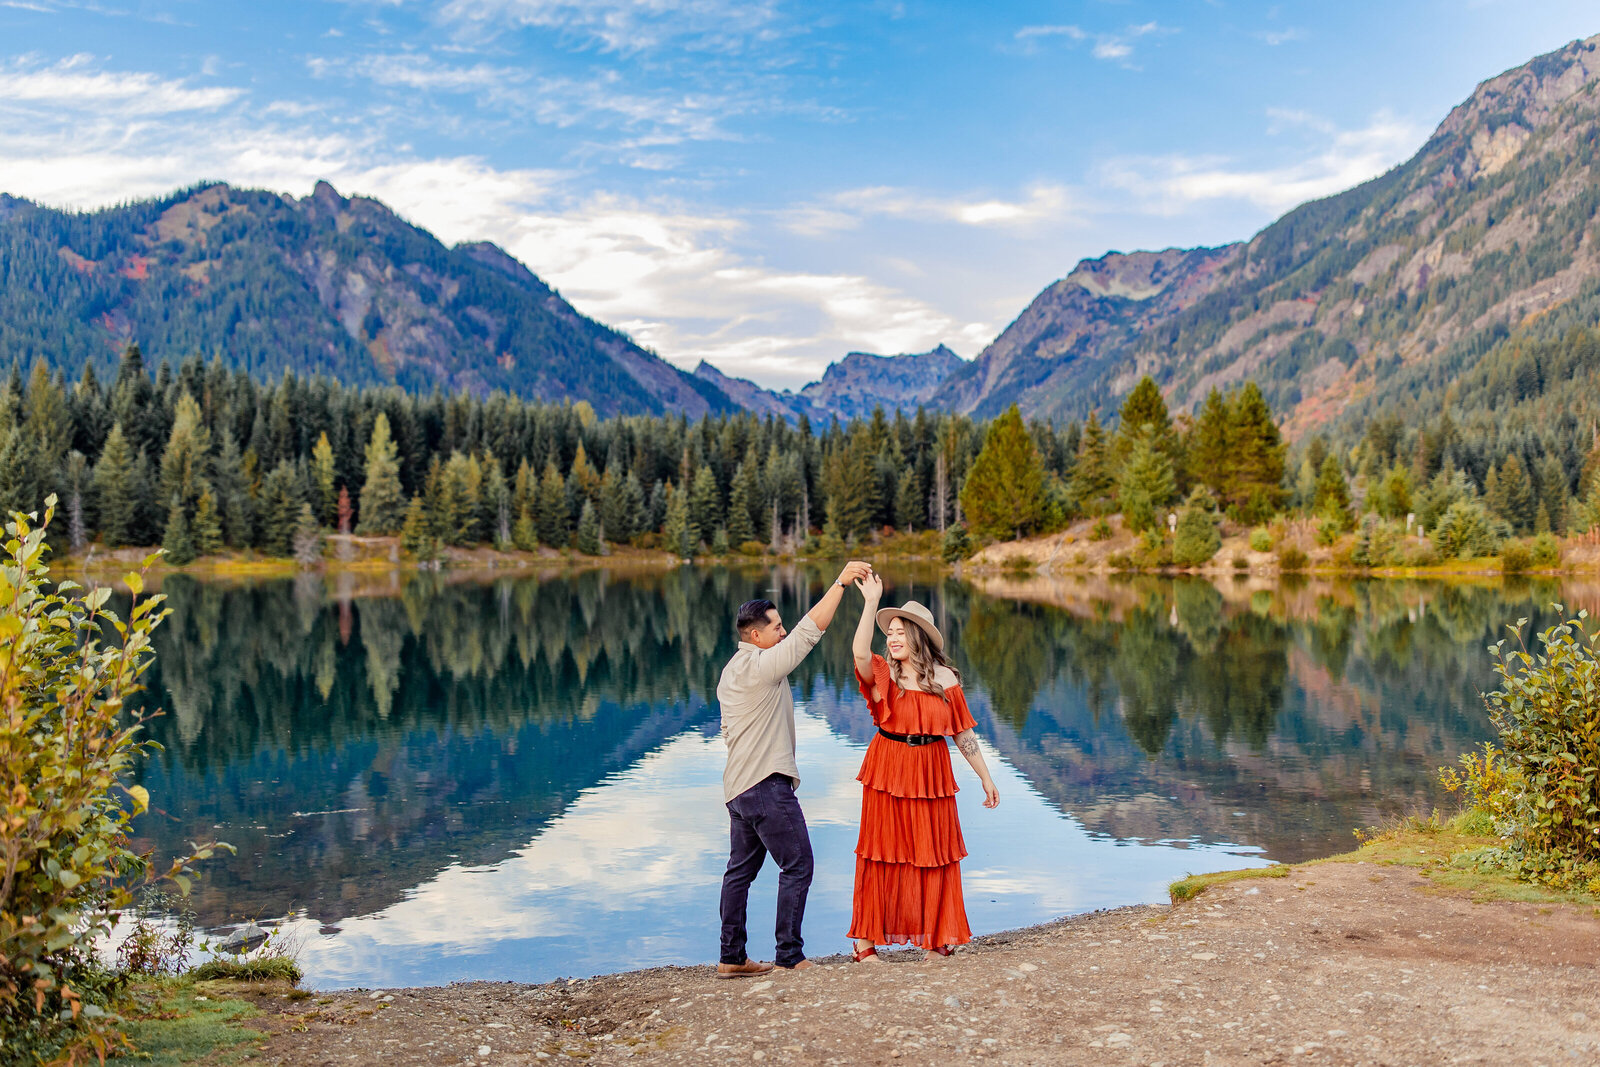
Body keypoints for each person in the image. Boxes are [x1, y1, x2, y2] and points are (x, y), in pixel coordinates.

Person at [715, 560, 874, 978]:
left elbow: (727, 732)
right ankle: (789, 954)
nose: (782, 632)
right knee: (798, 863)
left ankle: (732, 958)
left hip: (737, 789)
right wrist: (840, 582)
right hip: (766, 784)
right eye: (775, 627)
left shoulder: (729, 673)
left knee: (739, 873)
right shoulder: (762, 667)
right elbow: (809, 632)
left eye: (781, 625)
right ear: (755, 635)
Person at [847, 572, 998, 962]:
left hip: (931, 770)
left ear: (918, 637)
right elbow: (860, 653)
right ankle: (865, 943)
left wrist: (985, 776)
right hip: (887, 766)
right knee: (880, 850)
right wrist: (869, 603)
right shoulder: (884, 674)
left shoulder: (945, 679)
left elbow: (963, 733)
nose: (892, 638)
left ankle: (937, 939)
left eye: (900, 632)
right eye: (890, 632)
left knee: (934, 851)